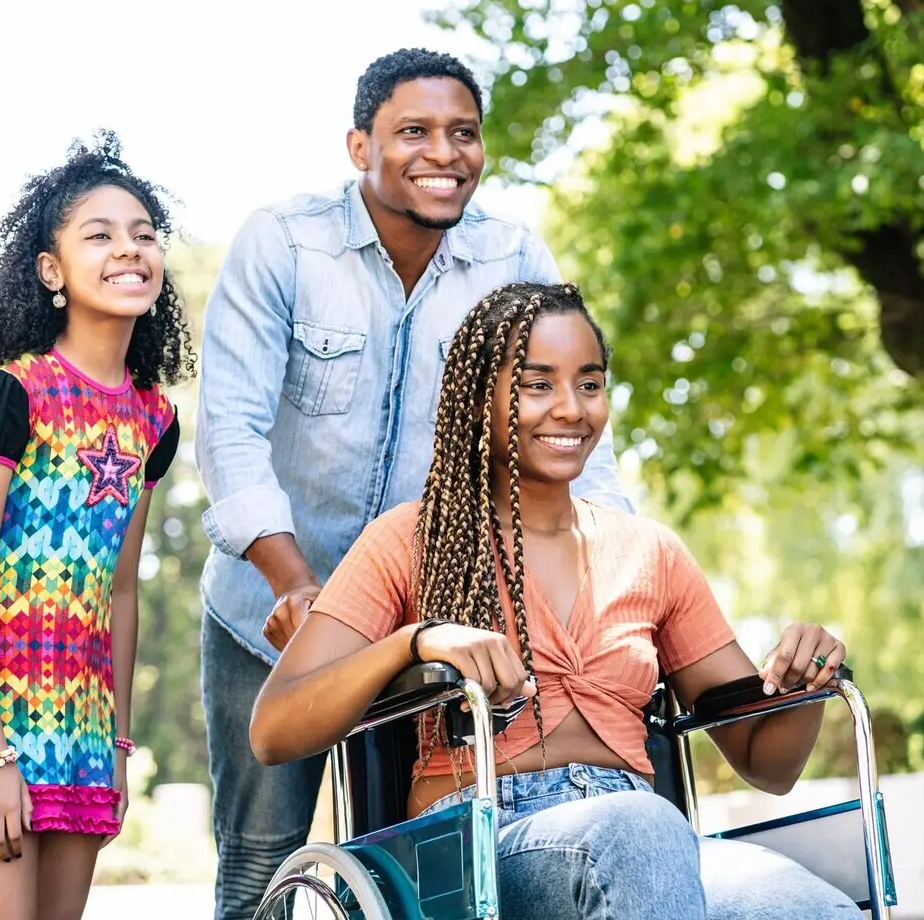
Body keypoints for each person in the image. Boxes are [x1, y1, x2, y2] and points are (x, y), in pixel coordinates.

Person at [251, 282, 862, 920]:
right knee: (639, 832)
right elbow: (274, 730)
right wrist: (417, 640)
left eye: (590, 383)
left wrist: (801, 683)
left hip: (646, 842)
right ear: (477, 400)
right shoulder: (411, 540)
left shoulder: (651, 552)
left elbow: (768, 764)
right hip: (478, 843)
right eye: (537, 384)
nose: (571, 408)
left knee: (811, 907)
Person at [195, 49, 630, 920]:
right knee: (259, 860)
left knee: (418, 861)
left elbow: (566, 427)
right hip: (268, 613)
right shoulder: (283, 243)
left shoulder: (511, 255)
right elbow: (231, 434)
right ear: (361, 146)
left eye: (463, 133)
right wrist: (297, 589)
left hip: (427, 625)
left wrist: (618, 574)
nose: (445, 152)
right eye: (415, 132)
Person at [0, 132, 194, 920]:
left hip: (83, 723)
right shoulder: (11, 392)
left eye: (143, 234)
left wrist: (119, 746)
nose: (127, 249)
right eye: (98, 234)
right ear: (51, 271)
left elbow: (122, 588)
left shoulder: (154, 418)